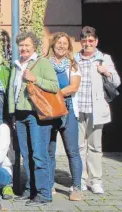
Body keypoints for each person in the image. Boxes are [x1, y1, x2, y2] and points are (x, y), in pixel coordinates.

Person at [8, 32, 58, 206]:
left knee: (39, 154)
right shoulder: (16, 65)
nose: (23, 48)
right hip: (20, 115)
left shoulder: (42, 63)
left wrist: (35, 78)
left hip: (37, 114)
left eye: (27, 45)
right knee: (26, 154)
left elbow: (54, 85)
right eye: (21, 45)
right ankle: (31, 190)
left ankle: (44, 193)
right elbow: (12, 92)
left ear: (34, 46)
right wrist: (13, 114)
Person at [74, 26, 120, 194]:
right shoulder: (74, 59)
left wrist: (106, 71)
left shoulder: (104, 58)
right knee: (79, 146)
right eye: (85, 40)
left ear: (96, 41)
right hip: (78, 109)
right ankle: (80, 178)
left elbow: (116, 82)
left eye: (91, 40)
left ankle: (96, 180)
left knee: (95, 147)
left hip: (96, 110)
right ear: (81, 41)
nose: (88, 43)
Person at [45, 32, 83, 201]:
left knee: (72, 151)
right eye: (58, 43)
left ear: (69, 47)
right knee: (49, 151)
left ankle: (76, 187)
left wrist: (54, 93)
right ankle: (49, 184)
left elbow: (73, 87)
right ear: (53, 45)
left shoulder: (73, 65)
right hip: (49, 112)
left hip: (68, 110)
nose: (61, 46)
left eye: (64, 43)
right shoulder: (45, 64)